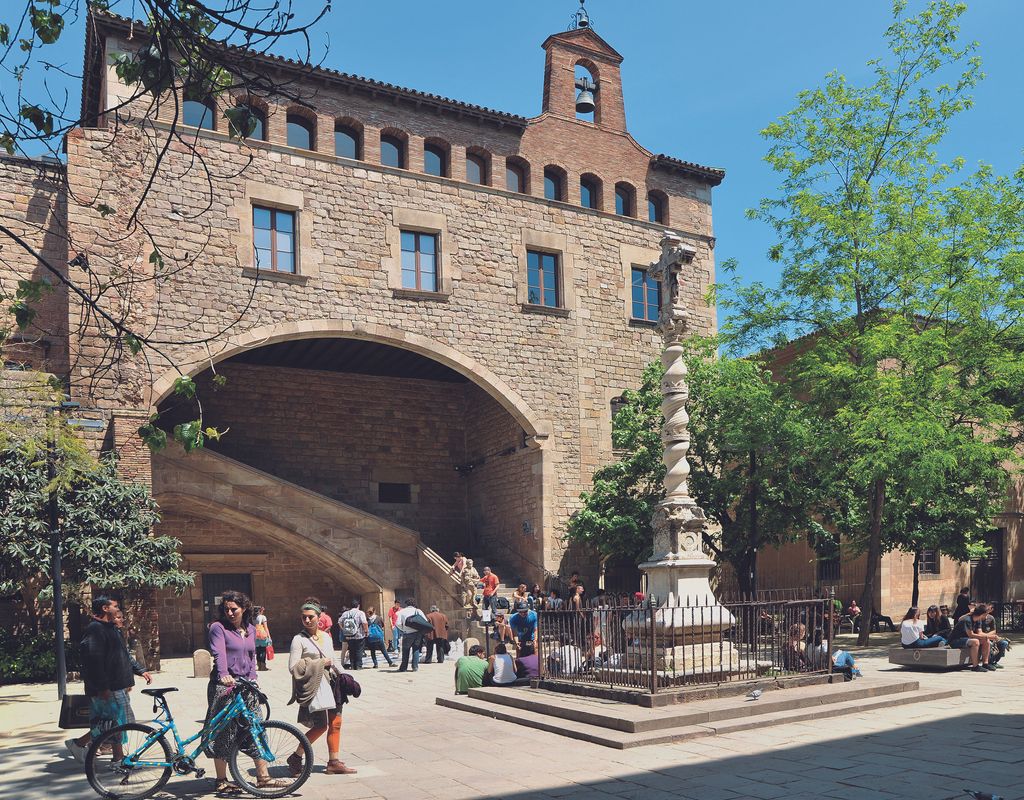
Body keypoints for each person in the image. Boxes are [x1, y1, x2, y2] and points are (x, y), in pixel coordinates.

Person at [206, 590, 287, 795]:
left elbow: (251, 656)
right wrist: (224, 674)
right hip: (225, 685)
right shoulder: (218, 628)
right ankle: (221, 780)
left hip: (246, 685)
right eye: (226, 610)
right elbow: (219, 653)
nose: (230, 613)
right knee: (223, 731)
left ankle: (263, 778)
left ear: (244, 609)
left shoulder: (250, 628)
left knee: (256, 727)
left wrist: (253, 677)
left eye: (234, 609)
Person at [66, 597, 146, 763]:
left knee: (114, 723)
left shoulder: (111, 629)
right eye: (115, 606)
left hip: (116, 686)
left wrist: (139, 671)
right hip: (106, 687)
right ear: (105, 608)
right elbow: (94, 661)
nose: (118, 609)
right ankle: (117, 758)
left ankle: (81, 744)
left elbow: (122, 655)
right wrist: (103, 687)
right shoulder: (95, 630)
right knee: (114, 723)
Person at [287, 599, 357, 776]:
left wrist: (346, 677)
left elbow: (332, 659)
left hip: (333, 684)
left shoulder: (326, 637)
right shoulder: (298, 639)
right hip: (315, 686)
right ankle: (296, 757)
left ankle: (333, 762)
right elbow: (293, 667)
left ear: (320, 618)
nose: (307, 620)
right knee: (320, 726)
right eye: (304, 618)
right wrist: (319, 663)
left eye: (311, 617)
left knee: (336, 723)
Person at [948, 605, 991, 671]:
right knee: (975, 641)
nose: (987, 616)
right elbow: (971, 635)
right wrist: (988, 636)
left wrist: (989, 637)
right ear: (982, 614)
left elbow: (980, 633)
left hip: (966, 639)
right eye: (986, 614)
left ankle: (985, 663)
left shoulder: (978, 620)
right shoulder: (967, 620)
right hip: (955, 640)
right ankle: (975, 666)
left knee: (986, 640)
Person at [396, 598, 428, 672]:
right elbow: (425, 621)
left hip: (407, 633)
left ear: (406, 604)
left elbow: (397, 623)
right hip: (417, 633)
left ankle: (403, 668)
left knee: (406, 650)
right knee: (416, 649)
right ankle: (415, 667)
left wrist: (403, 628)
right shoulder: (418, 611)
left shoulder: (402, 611)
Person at [976, 604, 1010, 668]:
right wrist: (988, 637)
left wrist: (990, 636)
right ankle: (989, 662)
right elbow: (978, 633)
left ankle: (995, 661)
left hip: (990, 636)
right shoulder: (978, 619)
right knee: (990, 643)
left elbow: (994, 631)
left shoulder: (991, 618)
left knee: (1004, 643)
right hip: (982, 638)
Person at [339, 600, 368, 670]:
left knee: (351, 650)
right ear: (358, 605)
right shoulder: (360, 613)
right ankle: (358, 666)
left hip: (349, 635)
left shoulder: (346, 613)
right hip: (359, 634)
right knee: (359, 650)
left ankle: (352, 665)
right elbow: (364, 622)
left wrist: (343, 630)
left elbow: (339, 621)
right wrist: (366, 631)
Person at [254, 607, 272, 671]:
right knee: (263, 650)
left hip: (255, 635)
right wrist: (269, 636)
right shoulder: (263, 617)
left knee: (258, 651)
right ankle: (263, 666)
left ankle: (259, 666)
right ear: (260, 611)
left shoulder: (253, 617)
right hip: (262, 635)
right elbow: (265, 627)